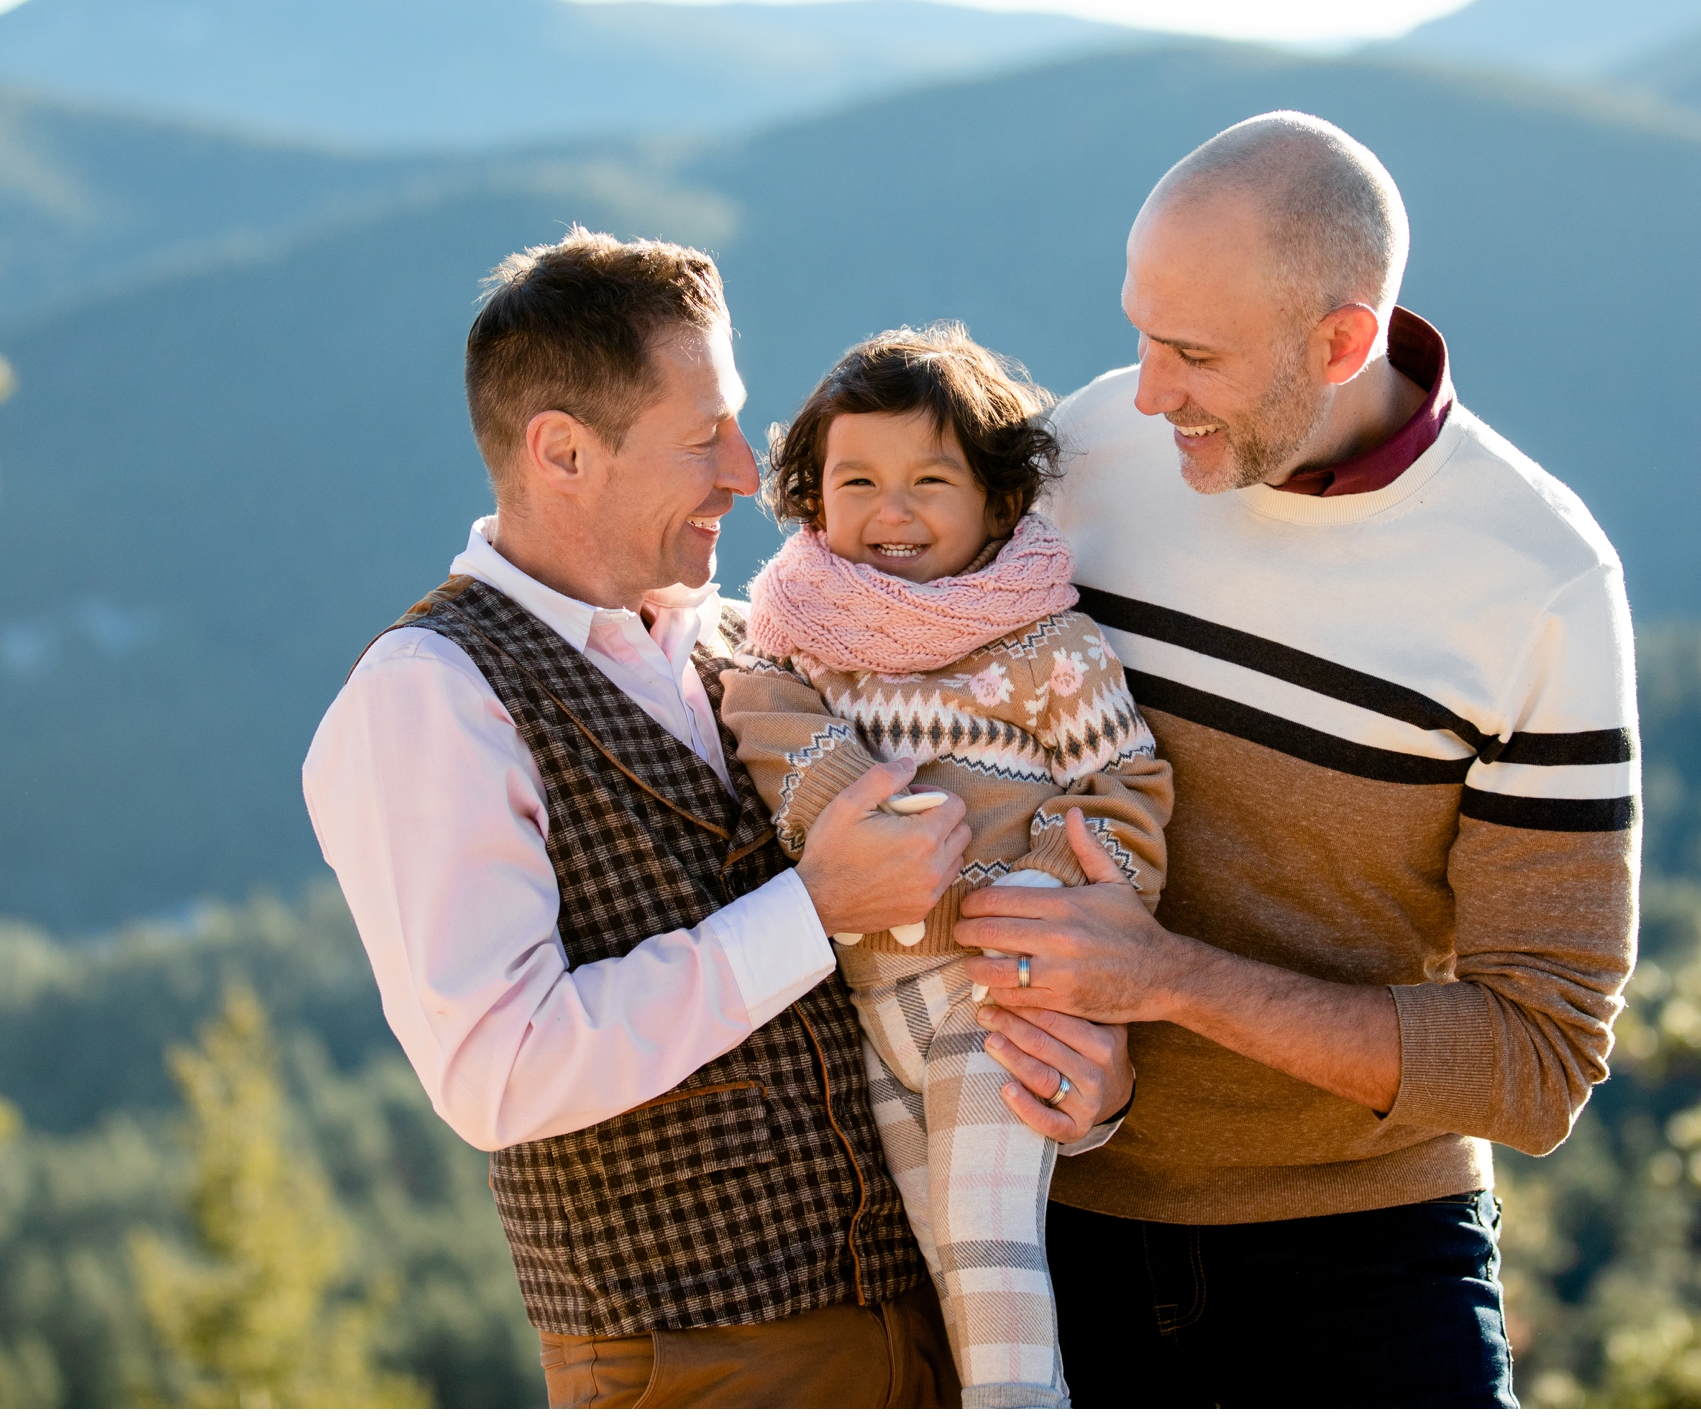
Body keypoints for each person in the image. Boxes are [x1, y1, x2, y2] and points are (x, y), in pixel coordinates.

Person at [302, 228, 1133, 1409]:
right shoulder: (430, 694)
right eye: (705, 436)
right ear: (561, 452)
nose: (751, 472)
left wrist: (1083, 1086)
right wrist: (819, 906)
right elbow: (500, 1069)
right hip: (701, 1369)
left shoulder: (749, 640)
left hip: (935, 1334)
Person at [956, 113, 1641, 1407]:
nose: (1146, 390)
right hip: (1039, 1229)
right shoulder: (1089, 452)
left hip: (1365, 1272)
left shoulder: (1539, 580)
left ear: (1341, 341)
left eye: (1195, 354)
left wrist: (1167, 979)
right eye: (1140, 333)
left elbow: (1538, 1060)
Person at [722, 325, 1173, 1408]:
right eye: (858, 480)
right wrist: (859, 822)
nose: (892, 510)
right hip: (873, 1007)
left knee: (990, 1243)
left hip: (996, 985)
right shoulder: (801, 633)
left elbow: (1129, 786)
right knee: (940, 1254)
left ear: (1000, 503)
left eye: (932, 480)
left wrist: (1040, 904)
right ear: (813, 497)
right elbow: (765, 717)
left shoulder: (1044, 643)